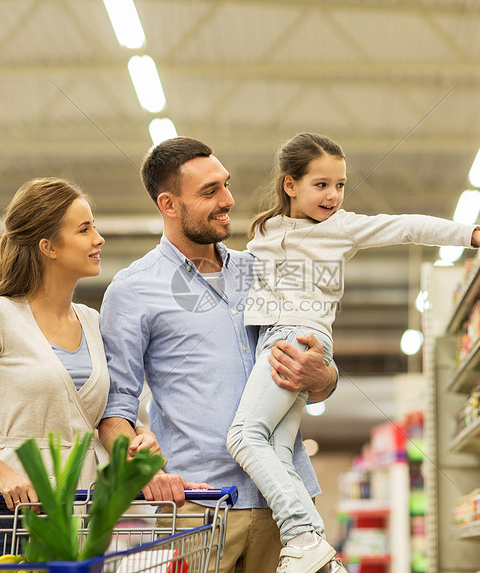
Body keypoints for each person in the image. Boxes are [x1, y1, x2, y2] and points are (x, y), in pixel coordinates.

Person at [225, 132, 480, 573]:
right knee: (278, 448)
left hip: (296, 337)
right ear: (290, 185)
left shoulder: (341, 227)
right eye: (321, 184)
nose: (333, 195)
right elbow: (233, 269)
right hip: (274, 335)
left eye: (340, 184)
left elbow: (407, 225)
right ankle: (320, 557)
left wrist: (477, 235)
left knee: (243, 437)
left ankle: (300, 537)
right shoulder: (267, 230)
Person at [100, 137, 343, 573]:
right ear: (169, 204)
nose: (228, 200)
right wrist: (139, 466)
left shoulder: (264, 269)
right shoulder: (133, 289)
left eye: (225, 185)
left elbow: (317, 374)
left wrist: (322, 376)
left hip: (287, 510)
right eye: (210, 192)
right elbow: (115, 410)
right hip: (198, 508)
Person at [0, 177, 159, 520]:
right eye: (84, 229)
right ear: (49, 247)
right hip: (21, 505)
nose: (99, 238)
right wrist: (1, 472)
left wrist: (140, 434)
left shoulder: (93, 321)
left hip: (87, 502)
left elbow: (107, 412)